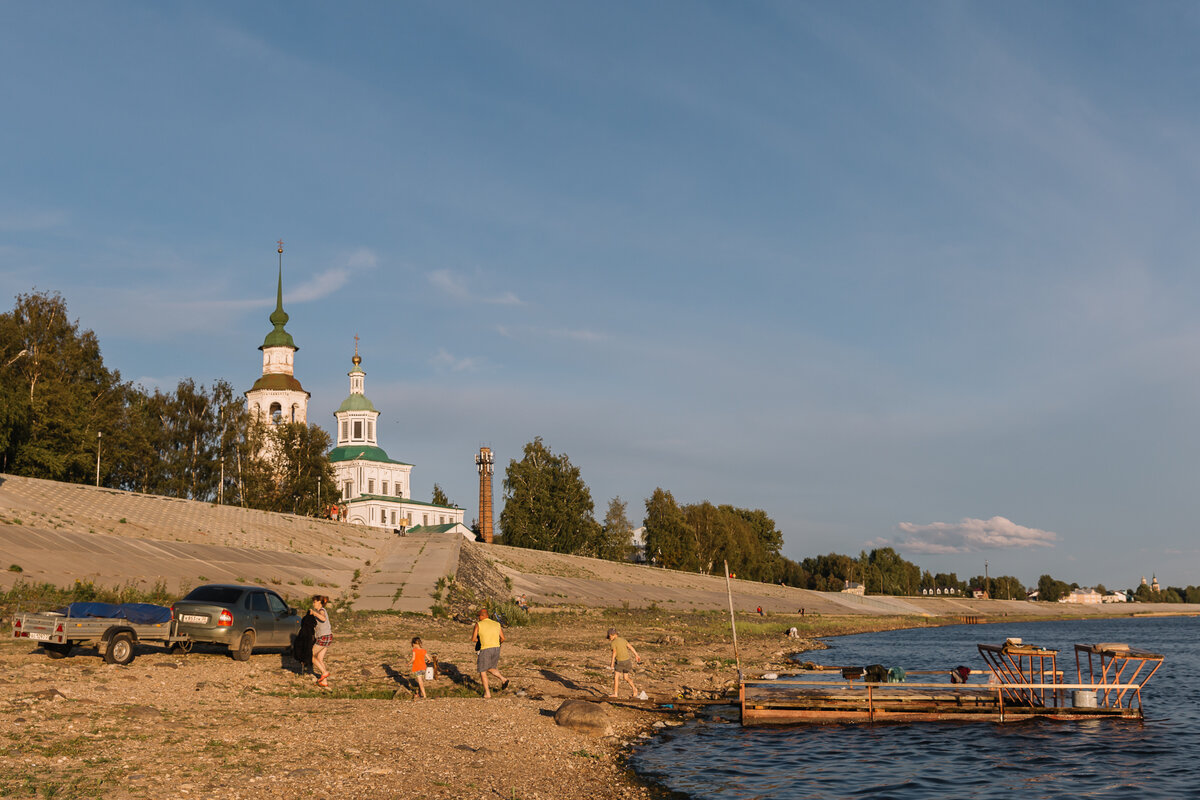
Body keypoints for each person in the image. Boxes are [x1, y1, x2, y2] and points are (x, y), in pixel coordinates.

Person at [471, 608, 508, 699]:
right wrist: (496, 644)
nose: (478, 618)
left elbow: (473, 639)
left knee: (482, 671)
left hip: (485, 649)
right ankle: (503, 679)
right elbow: (503, 638)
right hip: (496, 648)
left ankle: (487, 693)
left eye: (478, 616)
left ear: (482, 615)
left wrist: (480, 641)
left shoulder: (478, 624)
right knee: (491, 668)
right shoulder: (496, 624)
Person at [606, 627, 642, 699]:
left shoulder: (613, 643)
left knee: (616, 677)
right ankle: (634, 689)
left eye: (609, 636)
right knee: (626, 678)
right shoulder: (623, 640)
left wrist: (612, 663)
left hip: (620, 662)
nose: (609, 638)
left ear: (612, 635)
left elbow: (614, 653)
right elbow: (630, 647)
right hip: (627, 662)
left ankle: (615, 694)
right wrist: (636, 655)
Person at [311, 595, 332, 689]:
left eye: (315, 602)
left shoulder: (321, 611)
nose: (313, 604)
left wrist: (314, 614)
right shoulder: (320, 611)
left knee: (310, 655)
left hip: (323, 637)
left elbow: (323, 618)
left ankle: (324, 673)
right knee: (319, 659)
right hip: (328, 637)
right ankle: (324, 682)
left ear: (320, 602)